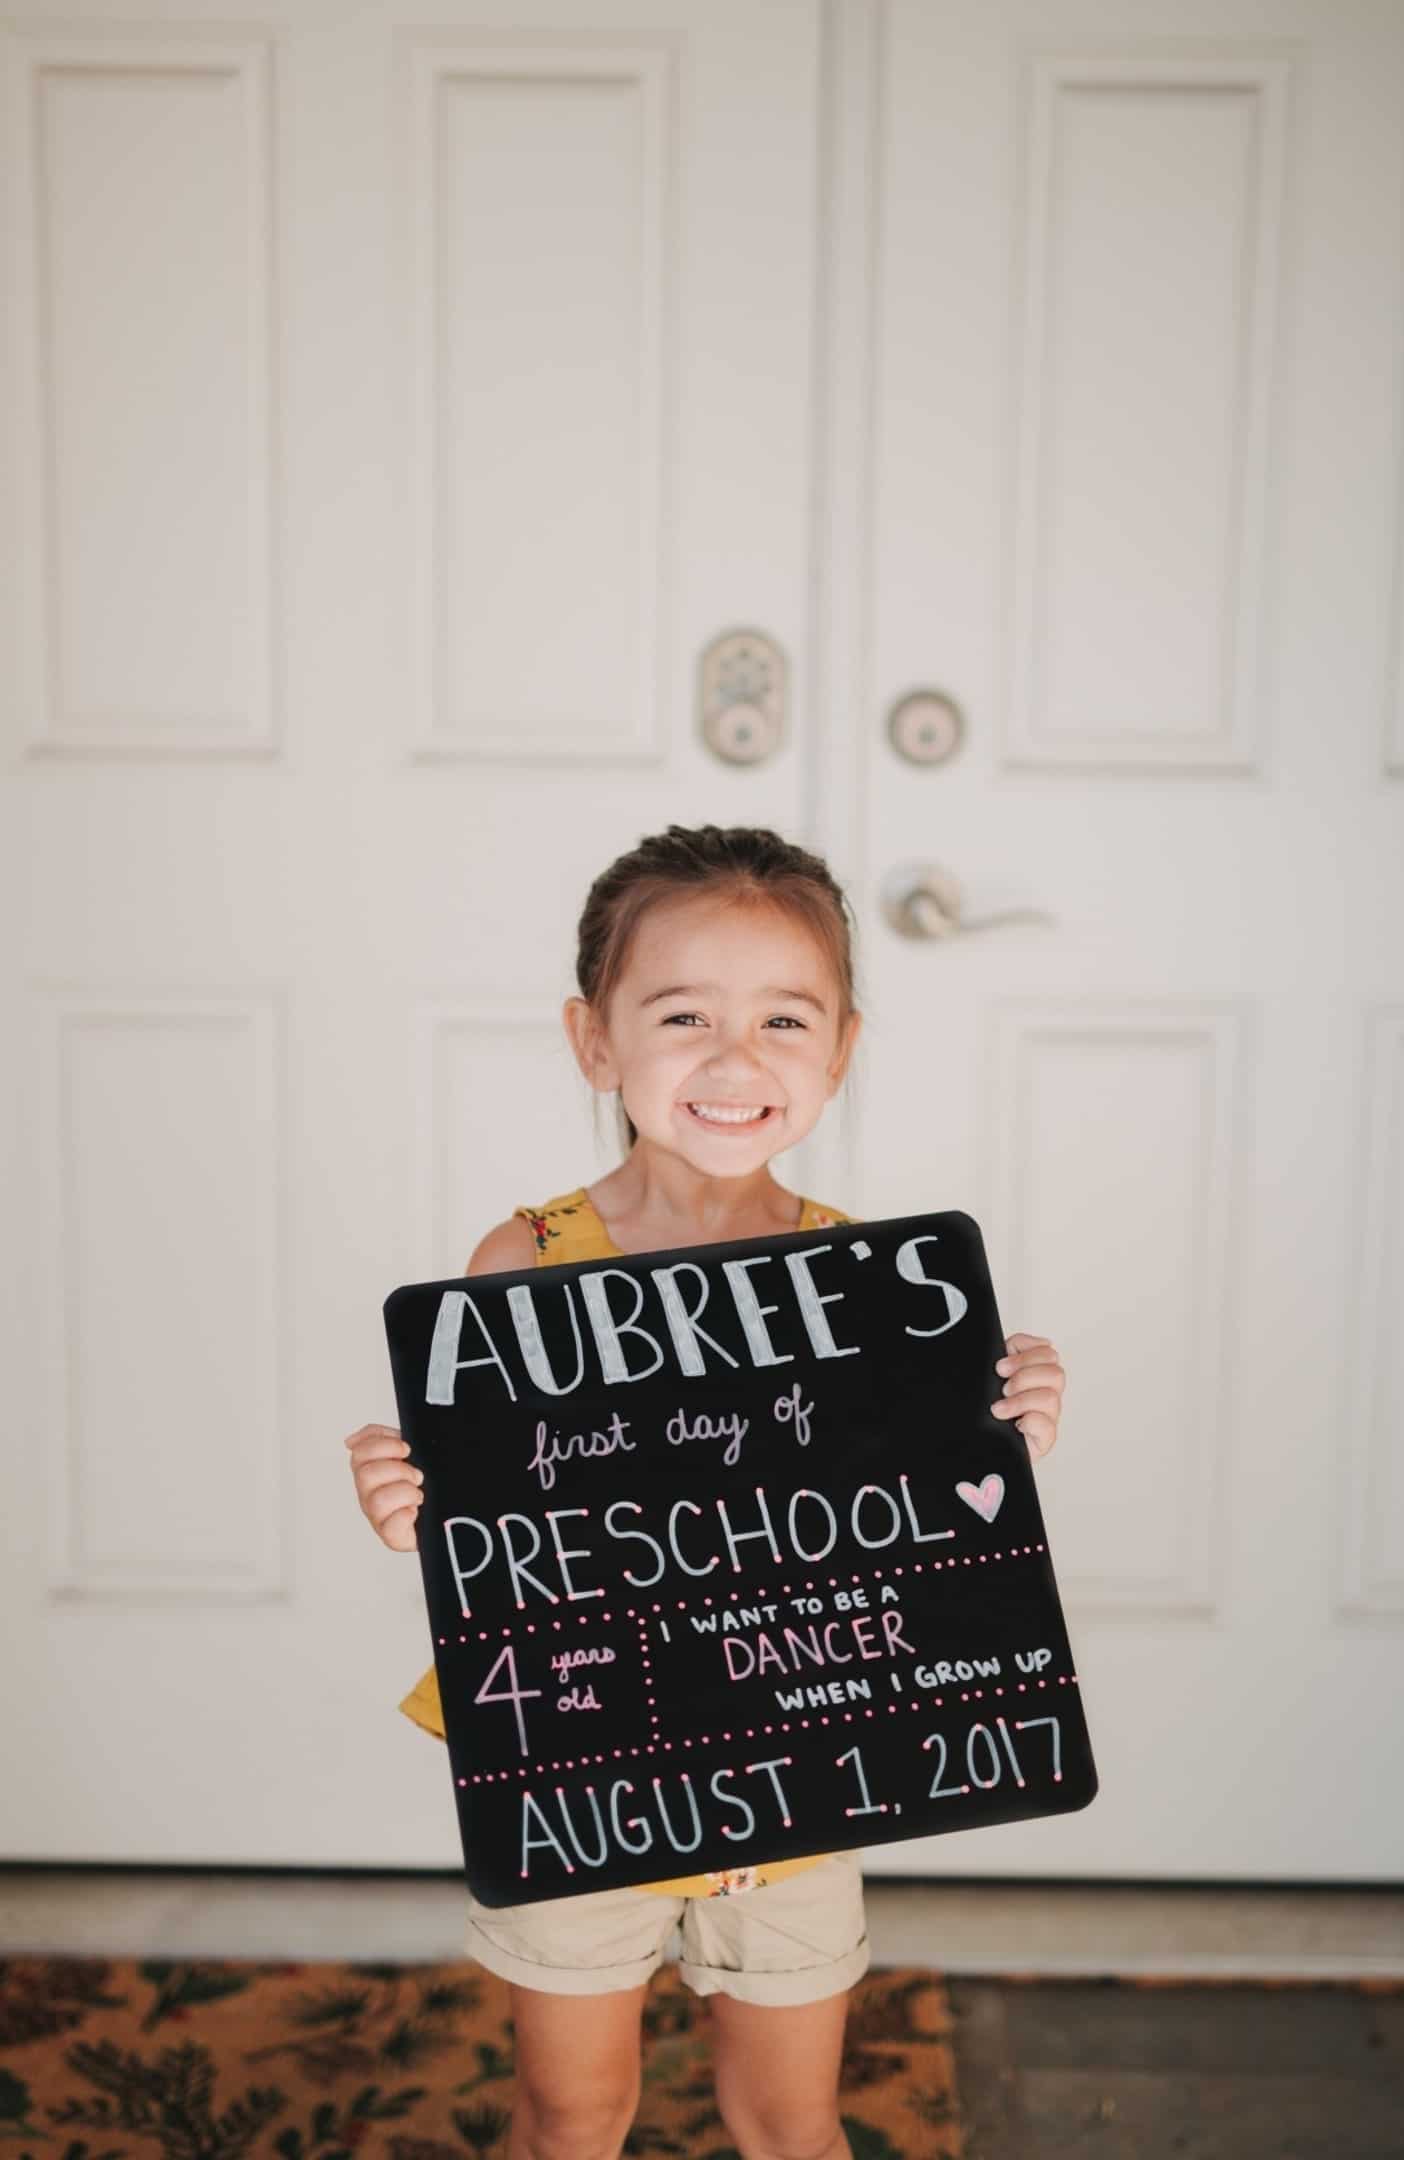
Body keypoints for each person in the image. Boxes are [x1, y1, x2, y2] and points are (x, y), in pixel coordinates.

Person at [345, 822, 1067, 2160]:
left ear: (841, 1047)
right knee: (574, 2109)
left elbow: (904, 1528)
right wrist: (410, 1507)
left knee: (788, 2117)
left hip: (803, 1767)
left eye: (785, 1020)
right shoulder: (524, 1264)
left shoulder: (872, 1285)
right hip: (590, 1760)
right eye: (683, 1015)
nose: (737, 1062)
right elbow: (493, 1526)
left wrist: (1003, 1433)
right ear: (595, 1040)